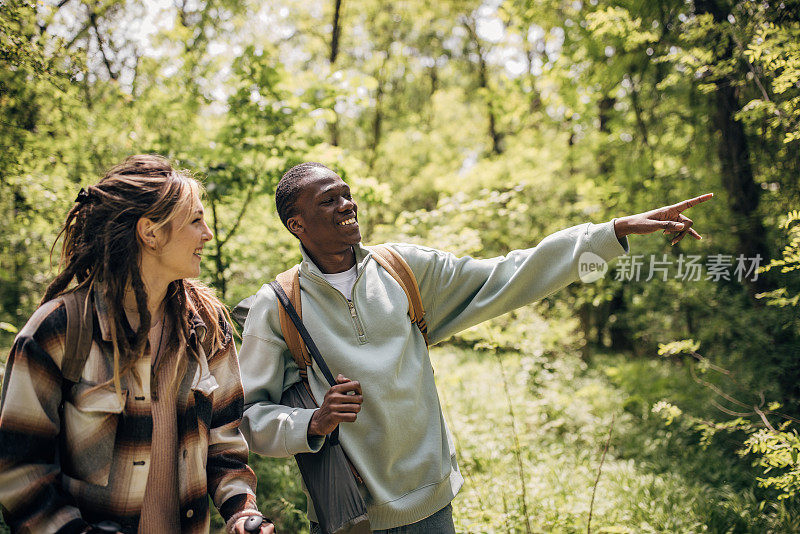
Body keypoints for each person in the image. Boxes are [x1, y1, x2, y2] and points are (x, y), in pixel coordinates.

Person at [237, 161, 712, 533]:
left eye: (347, 194)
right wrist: (311, 421)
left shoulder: (404, 268)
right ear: (296, 224)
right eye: (329, 201)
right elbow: (250, 418)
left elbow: (510, 274)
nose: (347, 205)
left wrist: (610, 235)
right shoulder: (277, 305)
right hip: (350, 513)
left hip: (431, 503)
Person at [0, 155, 274, 534]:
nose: (207, 234)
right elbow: (19, 474)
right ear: (150, 233)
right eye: (195, 220)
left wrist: (242, 514)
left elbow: (225, 446)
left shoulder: (208, 326)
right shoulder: (58, 330)